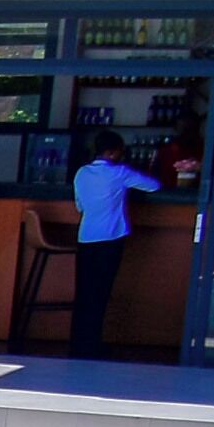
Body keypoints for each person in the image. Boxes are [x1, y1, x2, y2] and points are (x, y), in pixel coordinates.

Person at [69, 129, 159, 361]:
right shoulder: (120, 172)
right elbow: (153, 185)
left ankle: (78, 345)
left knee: (84, 294)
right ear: (112, 152)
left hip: (86, 237)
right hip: (110, 238)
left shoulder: (81, 173)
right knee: (100, 294)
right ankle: (92, 346)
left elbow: (79, 205)